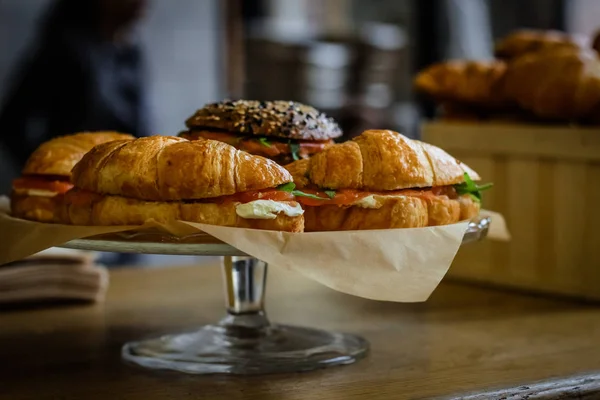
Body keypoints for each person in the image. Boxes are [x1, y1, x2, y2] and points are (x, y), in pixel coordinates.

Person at [0, 0, 150, 171]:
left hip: (120, 178)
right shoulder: (65, 49)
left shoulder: (130, 54)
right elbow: (12, 123)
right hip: (72, 183)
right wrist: (47, 168)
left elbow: (140, 125)